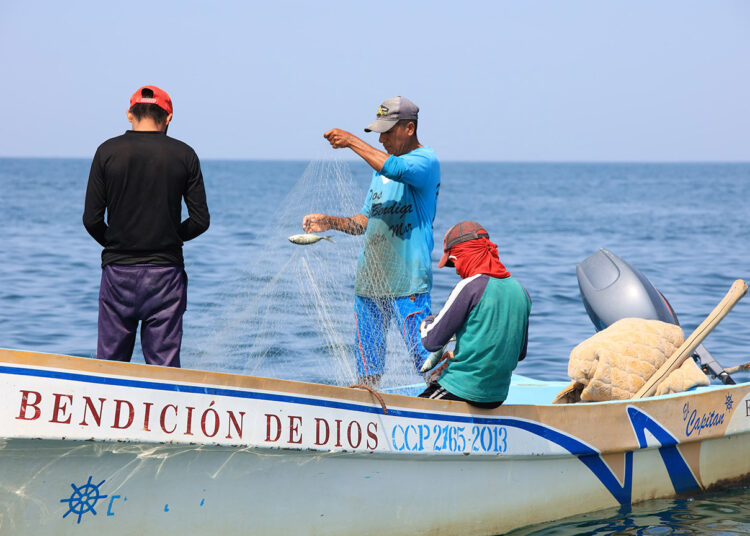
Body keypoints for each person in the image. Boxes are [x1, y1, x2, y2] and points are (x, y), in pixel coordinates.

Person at [303, 96, 440, 387]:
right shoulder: (380, 173)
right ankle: (366, 402)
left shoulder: (425, 161)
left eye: (387, 132)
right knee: (368, 369)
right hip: (371, 281)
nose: (381, 139)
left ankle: (445, 401)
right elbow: (364, 221)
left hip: (408, 282)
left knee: (427, 360)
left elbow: (396, 169)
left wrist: (352, 141)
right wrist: (330, 221)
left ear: (409, 129)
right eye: (379, 133)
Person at [82, 85, 210, 368]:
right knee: (164, 370)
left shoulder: (107, 152)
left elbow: (91, 219)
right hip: (165, 274)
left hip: (118, 272)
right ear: (169, 117)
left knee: (111, 367)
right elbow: (201, 220)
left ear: (130, 114)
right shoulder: (185, 154)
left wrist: (118, 242)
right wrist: (169, 237)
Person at [419, 221, 531, 408]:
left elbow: (431, 342)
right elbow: (519, 353)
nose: (456, 270)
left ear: (463, 255)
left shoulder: (469, 287)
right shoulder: (521, 291)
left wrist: (427, 323)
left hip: (461, 389)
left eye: (453, 262)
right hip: (496, 397)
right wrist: (461, 354)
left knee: (409, 411)